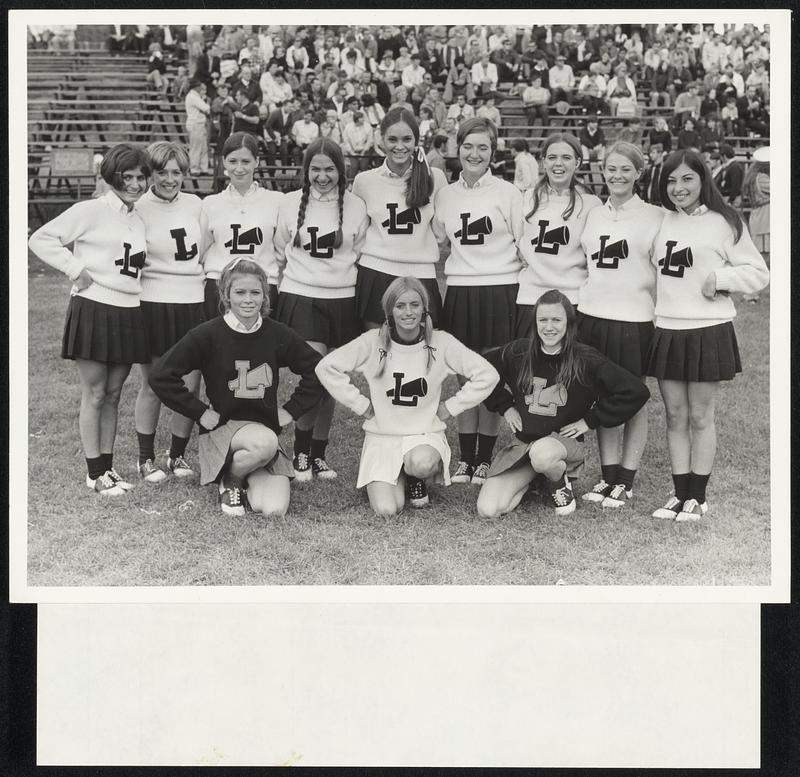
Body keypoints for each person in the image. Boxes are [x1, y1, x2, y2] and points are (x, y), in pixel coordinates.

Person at [645, 149, 769, 521]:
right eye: (671, 180)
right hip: (668, 327)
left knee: (701, 416)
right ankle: (679, 492)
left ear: (703, 180)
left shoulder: (724, 221)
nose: (678, 187)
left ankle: (697, 497)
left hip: (706, 330)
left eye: (687, 179)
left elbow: (759, 272)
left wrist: (721, 279)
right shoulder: (660, 220)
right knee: (673, 416)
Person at [149, 258, 325, 518]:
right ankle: (229, 480)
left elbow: (319, 371)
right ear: (226, 295)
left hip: (262, 432)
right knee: (265, 443)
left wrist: (292, 410)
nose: (248, 299)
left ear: (265, 295)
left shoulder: (277, 334)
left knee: (274, 509)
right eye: (239, 292)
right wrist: (200, 412)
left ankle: (244, 474)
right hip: (223, 430)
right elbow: (161, 375)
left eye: (255, 292)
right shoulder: (207, 334)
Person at [315, 276, 499, 514]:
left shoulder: (441, 342)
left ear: (424, 308)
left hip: (423, 435)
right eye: (400, 306)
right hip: (383, 436)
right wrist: (360, 404)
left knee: (420, 464)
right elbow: (326, 367)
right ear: (389, 310)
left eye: (415, 305)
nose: (408, 312)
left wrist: (451, 407)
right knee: (387, 510)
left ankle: (416, 476)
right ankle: (400, 474)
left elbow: (488, 374)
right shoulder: (373, 342)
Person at [28, 144, 152, 495]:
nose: (135, 184)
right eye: (127, 177)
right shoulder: (90, 210)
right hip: (94, 307)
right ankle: (95, 473)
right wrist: (74, 268)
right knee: (95, 393)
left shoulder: (139, 217)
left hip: (128, 310)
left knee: (114, 394)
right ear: (112, 176)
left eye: (141, 178)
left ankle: (107, 469)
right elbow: (41, 238)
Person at [476, 289, 650, 518]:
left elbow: (636, 391)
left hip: (560, 445)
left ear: (569, 323)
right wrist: (505, 407)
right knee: (488, 510)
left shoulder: (585, 359)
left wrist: (590, 420)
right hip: (524, 446)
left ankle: (558, 481)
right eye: (543, 320)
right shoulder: (518, 352)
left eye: (556, 320)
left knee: (543, 454)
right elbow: (477, 371)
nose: (549, 327)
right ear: (535, 322)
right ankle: (536, 480)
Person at [433, 117, 524, 485]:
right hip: (460, 291)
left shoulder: (508, 193)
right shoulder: (446, 195)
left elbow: (524, 243)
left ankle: (484, 458)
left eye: (483, 147)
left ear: (493, 151)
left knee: (491, 376)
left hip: (500, 290)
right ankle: (466, 458)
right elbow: (439, 240)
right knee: (463, 376)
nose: (474, 153)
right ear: (458, 148)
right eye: (468, 146)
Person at [274, 138, 369, 480]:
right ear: (306, 170)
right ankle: (300, 452)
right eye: (315, 168)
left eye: (329, 168)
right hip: (302, 297)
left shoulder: (356, 206)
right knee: (314, 374)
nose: (322, 176)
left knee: (333, 378)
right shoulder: (288, 204)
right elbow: (279, 250)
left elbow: (359, 251)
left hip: (343, 300)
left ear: (341, 170)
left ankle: (318, 454)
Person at [577, 142, 665, 508]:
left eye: (625, 169)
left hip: (633, 319)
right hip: (593, 315)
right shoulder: (594, 213)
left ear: (638, 173)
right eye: (611, 169)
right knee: (602, 395)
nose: (617, 176)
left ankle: (626, 480)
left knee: (632, 397)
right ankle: (608, 475)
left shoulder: (654, 215)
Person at [133, 141, 206, 482]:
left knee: (190, 386)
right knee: (152, 384)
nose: (169, 179)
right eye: (161, 172)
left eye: (176, 172)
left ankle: (177, 456)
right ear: (150, 173)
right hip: (153, 301)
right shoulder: (139, 207)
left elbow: (205, 248)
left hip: (191, 300)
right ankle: (145, 459)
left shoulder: (195, 205)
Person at [352, 108, 448, 330]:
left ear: (416, 141)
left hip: (421, 274)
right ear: (381, 140)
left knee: (422, 354)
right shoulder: (364, 181)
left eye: (407, 139)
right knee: (379, 352)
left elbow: (440, 233)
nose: (399, 146)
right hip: (375, 275)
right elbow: (358, 232)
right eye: (392, 139)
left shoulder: (435, 177)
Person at [517, 133, 601, 336]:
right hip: (531, 298)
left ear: (578, 162)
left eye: (566, 157)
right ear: (543, 161)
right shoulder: (526, 198)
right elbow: (518, 243)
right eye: (552, 157)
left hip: (572, 299)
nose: (558, 163)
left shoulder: (591, 204)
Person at [199, 132, 285, 320]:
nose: (239, 168)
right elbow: (202, 250)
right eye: (233, 161)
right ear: (224, 162)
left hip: (261, 287)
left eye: (246, 161)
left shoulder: (276, 201)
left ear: (257, 161)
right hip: (219, 288)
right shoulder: (210, 203)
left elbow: (280, 251)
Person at [741, 145, 770, 303]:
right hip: (764, 220)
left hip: (761, 219)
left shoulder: (754, 176)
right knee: (762, 259)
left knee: (764, 258)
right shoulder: (762, 178)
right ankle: (750, 293)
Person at [185, 80, 211, 175]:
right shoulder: (192, 96)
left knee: (204, 147)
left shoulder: (196, 96)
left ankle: (204, 169)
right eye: (200, 86)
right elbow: (206, 108)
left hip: (200, 124)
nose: (201, 88)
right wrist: (206, 103)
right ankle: (194, 169)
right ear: (195, 87)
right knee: (196, 147)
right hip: (195, 124)